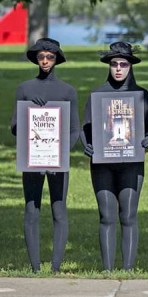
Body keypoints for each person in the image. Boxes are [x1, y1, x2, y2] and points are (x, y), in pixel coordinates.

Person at [81, 42, 148, 272]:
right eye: (115, 64)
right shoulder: (97, 95)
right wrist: (88, 146)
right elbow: (85, 129)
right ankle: (107, 269)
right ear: (109, 66)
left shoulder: (142, 96)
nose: (119, 69)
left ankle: (128, 269)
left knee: (129, 215)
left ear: (131, 66)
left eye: (124, 64)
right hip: (103, 164)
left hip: (131, 164)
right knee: (106, 215)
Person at [10, 38, 80, 273]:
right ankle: (35, 267)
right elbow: (15, 127)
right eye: (41, 57)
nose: (45, 61)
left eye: (50, 57)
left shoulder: (67, 91)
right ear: (36, 59)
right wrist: (29, 109)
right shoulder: (25, 88)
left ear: (57, 59)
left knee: (59, 210)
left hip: (57, 159)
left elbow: (74, 130)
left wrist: (60, 155)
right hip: (32, 158)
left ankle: (56, 267)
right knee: (31, 210)